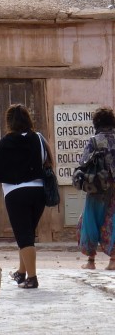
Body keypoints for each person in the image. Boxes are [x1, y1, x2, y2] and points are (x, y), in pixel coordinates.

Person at [0, 103, 50, 289]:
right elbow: (47, 160)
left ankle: (32, 278)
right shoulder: (38, 138)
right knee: (27, 234)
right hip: (38, 191)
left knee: (24, 236)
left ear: (9, 122)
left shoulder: (6, 141)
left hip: (16, 193)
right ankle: (21, 273)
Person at [76, 106, 115, 271]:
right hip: (114, 188)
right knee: (112, 221)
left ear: (96, 123)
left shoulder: (94, 140)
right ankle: (113, 260)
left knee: (89, 220)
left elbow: (83, 163)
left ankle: (91, 261)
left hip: (97, 186)